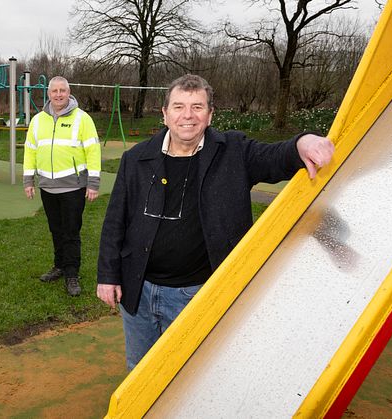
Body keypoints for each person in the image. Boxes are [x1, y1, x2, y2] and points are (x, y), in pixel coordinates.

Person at [96, 74, 335, 370]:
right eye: (179, 106)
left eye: (197, 107)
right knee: (139, 372)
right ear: (165, 114)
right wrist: (108, 276)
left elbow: (276, 156)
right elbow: (115, 220)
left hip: (198, 294)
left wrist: (303, 142)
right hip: (139, 290)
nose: (187, 115)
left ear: (210, 115)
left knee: (189, 374)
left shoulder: (234, 151)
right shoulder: (136, 159)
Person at [23, 76, 102, 296]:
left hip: (73, 188)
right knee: (55, 229)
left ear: (69, 93)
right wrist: (28, 180)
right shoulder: (38, 120)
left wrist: (93, 183)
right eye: (54, 91)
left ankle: (72, 274)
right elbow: (30, 151)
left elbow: (93, 152)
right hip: (47, 187)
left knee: (71, 232)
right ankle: (59, 266)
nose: (58, 95)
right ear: (48, 94)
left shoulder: (82, 119)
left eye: (62, 91)